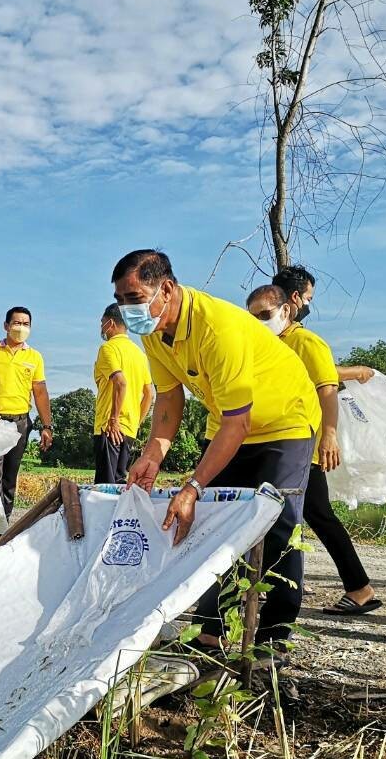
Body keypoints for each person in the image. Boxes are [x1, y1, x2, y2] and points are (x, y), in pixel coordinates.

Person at [112, 250, 319, 652]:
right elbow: (169, 404)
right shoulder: (153, 331)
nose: (127, 309)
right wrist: (152, 454)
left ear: (166, 288)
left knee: (276, 523)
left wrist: (190, 487)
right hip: (227, 423)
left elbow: (238, 423)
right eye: (120, 299)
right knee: (210, 522)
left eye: (134, 297)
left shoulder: (216, 327)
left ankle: (271, 643)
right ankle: (211, 631)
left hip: (284, 421)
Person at [247, 284, 380, 615]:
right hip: (278, 444)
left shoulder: (305, 341)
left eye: (265, 314)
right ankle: (353, 586)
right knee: (303, 515)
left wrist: (329, 435)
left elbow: (327, 386)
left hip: (302, 444)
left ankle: (358, 587)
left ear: (286, 307)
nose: (260, 322)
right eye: (253, 316)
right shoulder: (269, 343)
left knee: (311, 515)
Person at [0, 307, 53, 539]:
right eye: (16, 323)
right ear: (6, 325)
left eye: (25, 324)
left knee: (10, 477)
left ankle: (3, 528)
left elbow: (40, 392)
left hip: (20, 423)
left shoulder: (34, 357)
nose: (21, 328)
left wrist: (47, 426)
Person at [271, 264, 377, 385]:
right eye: (308, 299)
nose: (307, 304)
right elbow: (324, 375)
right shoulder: (303, 340)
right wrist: (358, 371)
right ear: (295, 296)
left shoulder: (262, 333)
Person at [93, 303, 153, 484]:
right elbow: (149, 394)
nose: (101, 326)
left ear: (110, 322)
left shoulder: (108, 348)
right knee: (119, 484)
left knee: (105, 487)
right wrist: (136, 423)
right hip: (129, 430)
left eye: (102, 322)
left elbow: (120, 382)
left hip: (109, 428)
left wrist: (114, 419)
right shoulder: (139, 353)